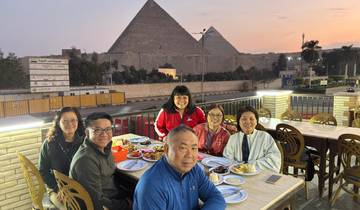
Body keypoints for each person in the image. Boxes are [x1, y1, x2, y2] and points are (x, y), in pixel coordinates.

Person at [133, 125, 226, 210]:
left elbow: (216, 198)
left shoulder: (194, 169)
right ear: (166, 149)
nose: (190, 155)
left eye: (194, 148)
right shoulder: (151, 186)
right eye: (182, 148)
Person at [69, 112, 131, 210]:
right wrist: (128, 204)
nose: (104, 134)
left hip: (112, 193)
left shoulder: (105, 147)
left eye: (108, 129)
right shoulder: (86, 160)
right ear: (86, 132)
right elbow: (97, 201)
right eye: (97, 130)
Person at [39, 107, 85, 209]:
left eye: (73, 120)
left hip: (80, 189)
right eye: (65, 121)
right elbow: (43, 171)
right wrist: (58, 188)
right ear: (58, 123)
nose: (69, 124)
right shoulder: (49, 143)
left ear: (78, 122)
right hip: (57, 188)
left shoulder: (84, 142)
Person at [223, 106, 281, 173]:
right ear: (238, 122)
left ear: (256, 121)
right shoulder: (233, 138)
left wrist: (249, 165)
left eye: (251, 119)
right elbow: (227, 159)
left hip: (260, 176)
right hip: (237, 176)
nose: (248, 122)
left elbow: (274, 160)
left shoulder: (265, 137)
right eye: (244, 119)